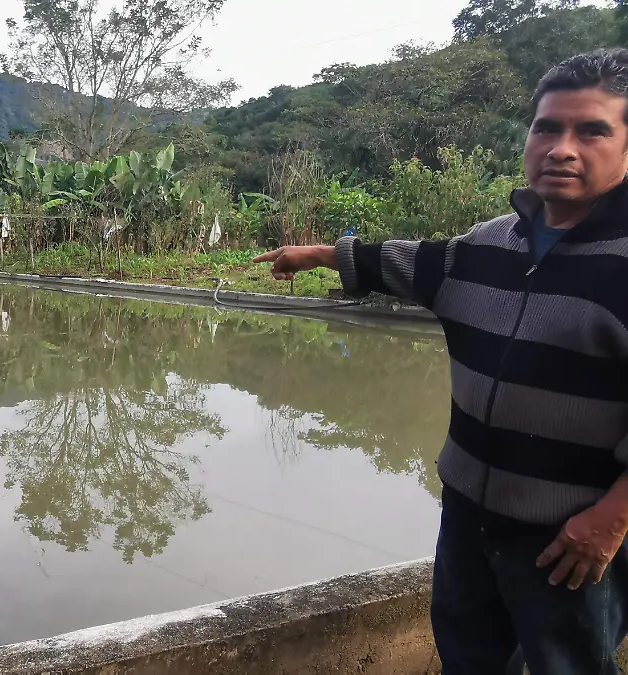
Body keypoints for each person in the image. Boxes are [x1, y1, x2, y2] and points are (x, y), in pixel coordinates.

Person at [255, 49, 628, 674]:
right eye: (547, 128)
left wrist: (610, 521)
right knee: (469, 657)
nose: (562, 148)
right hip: (467, 520)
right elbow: (401, 261)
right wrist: (316, 254)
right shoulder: (484, 246)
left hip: (569, 540)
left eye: (592, 131)